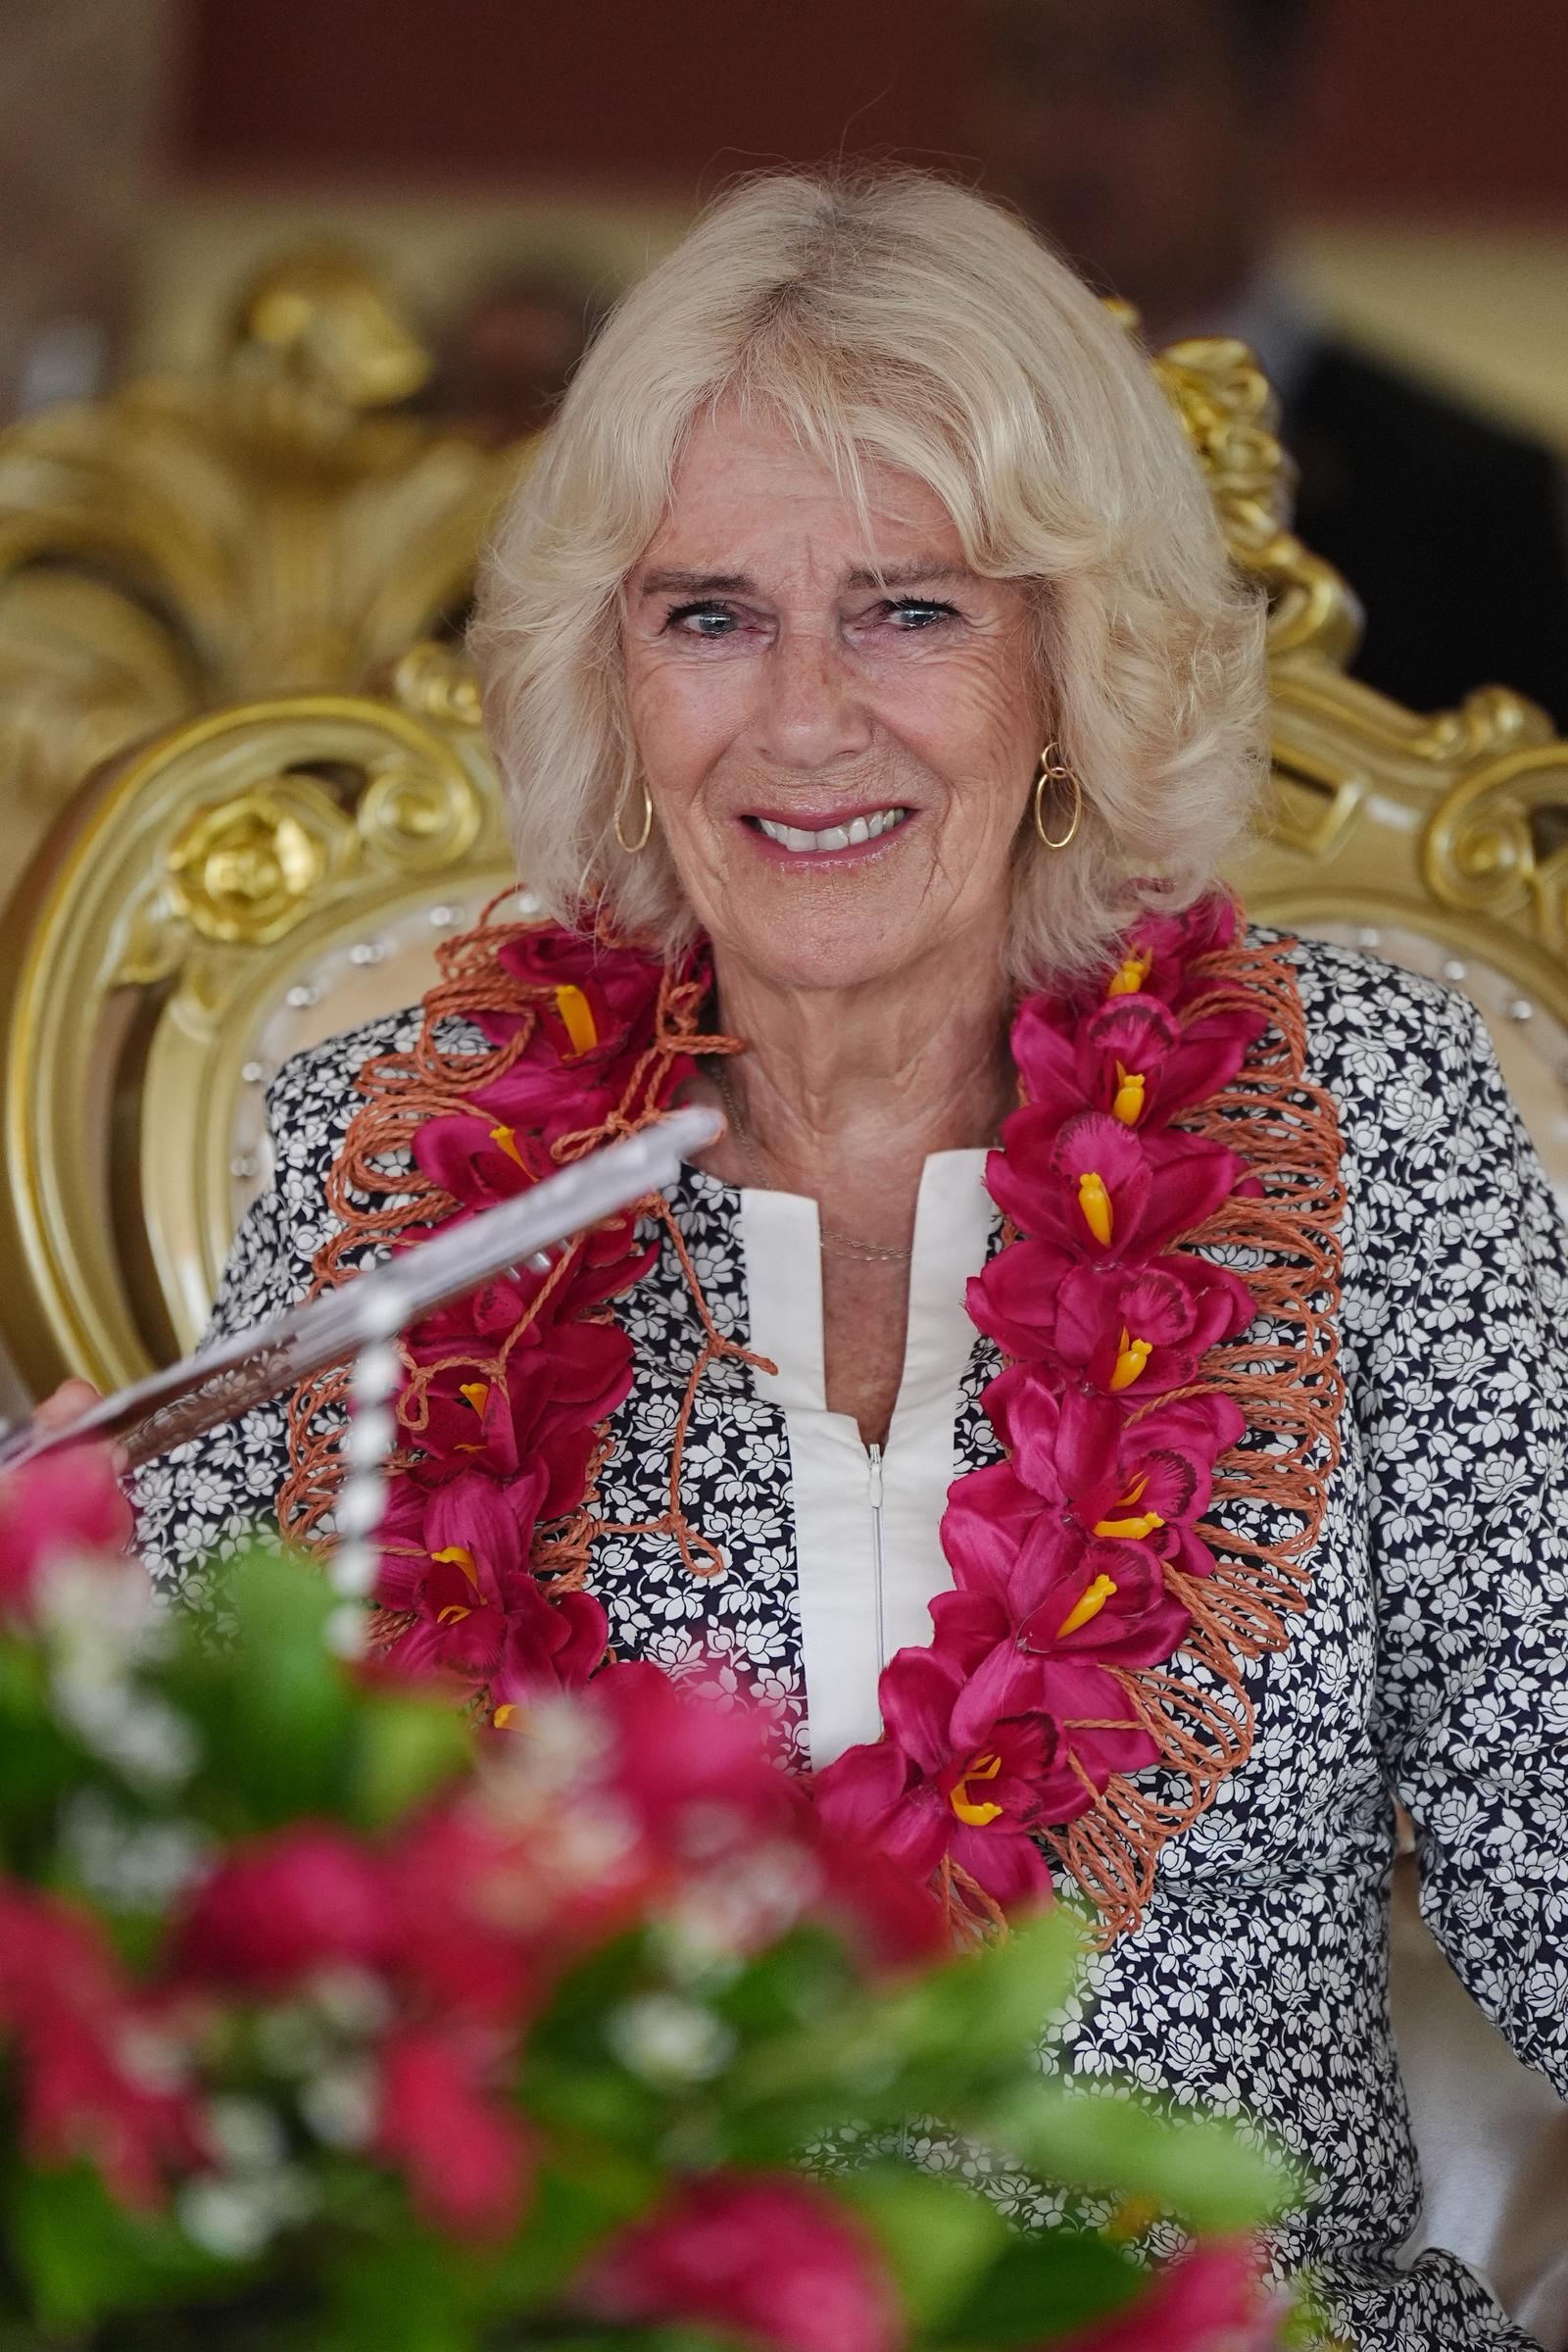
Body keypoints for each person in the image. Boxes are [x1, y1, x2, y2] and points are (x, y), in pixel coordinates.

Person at [128, 171, 1566, 2347]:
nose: (801, 719)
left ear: (1073, 661)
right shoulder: (402, 1170)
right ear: (611, 673)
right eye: (706, 614)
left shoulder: (1361, 1131)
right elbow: (189, 1903)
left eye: (907, 610)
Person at [967, 0, 1568, 728]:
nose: (1068, 126)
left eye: (1139, 74)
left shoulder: (1463, 500)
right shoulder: (920, 437)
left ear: (1278, 109)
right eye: (1033, 69)